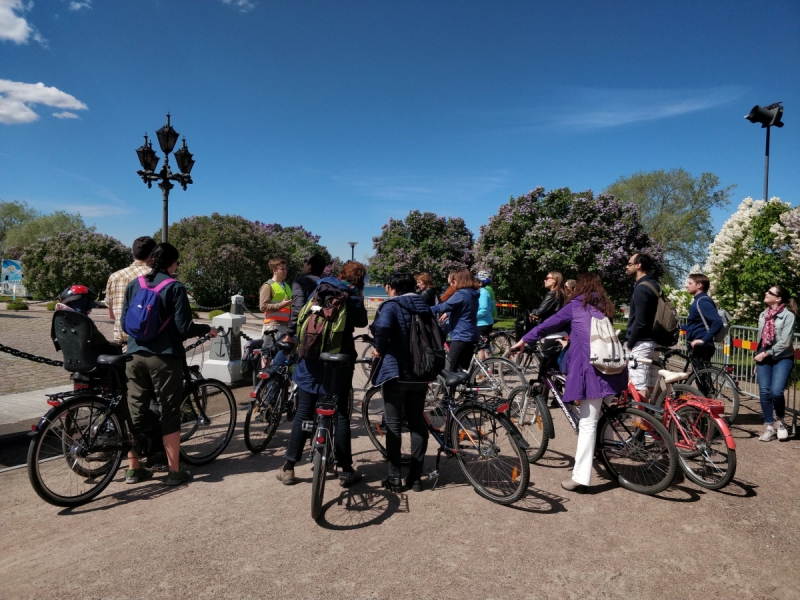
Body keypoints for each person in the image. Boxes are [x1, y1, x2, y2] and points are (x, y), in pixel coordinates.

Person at [510, 273, 628, 492]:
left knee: (588, 423)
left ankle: (580, 477)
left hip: (592, 370)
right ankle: (605, 450)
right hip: (613, 368)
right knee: (600, 415)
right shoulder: (603, 307)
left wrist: (524, 340)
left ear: (579, 288)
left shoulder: (575, 306)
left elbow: (548, 324)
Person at [121, 243, 217, 486]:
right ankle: (174, 471)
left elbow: (124, 323)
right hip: (164, 358)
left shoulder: (134, 284)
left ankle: (134, 468)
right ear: (173, 263)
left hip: (133, 355)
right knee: (169, 410)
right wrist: (207, 328)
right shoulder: (175, 287)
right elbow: (184, 328)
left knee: (135, 410)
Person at [276, 261, 368, 487]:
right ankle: (346, 470)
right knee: (341, 415)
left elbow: (302, 316)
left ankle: (289, 467)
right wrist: (357, 296)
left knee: (304, 412)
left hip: (310, 359)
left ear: (340, 273)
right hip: (339, 362)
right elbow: (362, 321)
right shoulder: (352, 295)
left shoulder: (321, 288)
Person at [370, 272, 433, 492]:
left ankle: (394, 477)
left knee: (394, 424)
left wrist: (378, 347)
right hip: (421, 372)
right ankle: (415, 478)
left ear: (392, 288)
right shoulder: (423, 305)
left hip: (395, 372)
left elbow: (382, 327)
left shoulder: (391, 306)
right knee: (417, 422)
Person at [755, 285, 797, 442]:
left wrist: (766, 353)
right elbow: (761, 339)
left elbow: (785, 342)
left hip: (782, 357)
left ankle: (780, 421)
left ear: (778, 298)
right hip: (764, 358)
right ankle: (769, 427)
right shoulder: (763, 314)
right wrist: (758, 357)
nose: (766, 293)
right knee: (764, 392)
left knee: (776, 392)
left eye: (770, 292)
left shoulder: (788, 316)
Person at [105, 236, 156, 344]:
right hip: (146, 342)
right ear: (152, 254)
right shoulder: (155, 276)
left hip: (121, 342)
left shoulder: (114, 277)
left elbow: (112, 315)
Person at [625, 252, 661, 399]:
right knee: (652, 384)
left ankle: (640, 414)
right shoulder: (654, 284)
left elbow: (640, 321)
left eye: (629, 264)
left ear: (638, 265)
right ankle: (663, 412)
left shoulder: (641, 288)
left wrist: (630, 343)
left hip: (641, 343)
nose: (626, 267)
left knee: (638, 385)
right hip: (654, 341)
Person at [430, 268, 480, 372]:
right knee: (462, 369)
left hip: (461, 335)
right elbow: (464, 308)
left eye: (455, 280)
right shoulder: (472, 293)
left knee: (449, 370)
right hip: (472, 334)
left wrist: (426, 310)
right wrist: (449, 313)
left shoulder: (461, 294)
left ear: (460, 280)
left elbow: (444, 306)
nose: (453, 282)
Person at [51, 285, 120, 356]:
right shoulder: (84, 323)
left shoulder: (60, 320)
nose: (90, 310)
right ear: (82, 305)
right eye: (89, 307)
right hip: (94, 359)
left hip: (72, 359)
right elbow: (102, 342)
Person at [284, 253, 326, 342]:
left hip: (307, 331)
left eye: (305, 264)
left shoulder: (300, 282)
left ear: (309, 267)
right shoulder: (326, 284)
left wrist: (289, 334)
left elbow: (298, 308)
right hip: (324, 330)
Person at [684, 273, 723, 363]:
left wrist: (703, 340)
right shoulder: (698, 300)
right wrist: (679, 327)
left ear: (699, 285)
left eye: (690, 283)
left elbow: (717, 321)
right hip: (697, 345)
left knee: (701, 371)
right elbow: (696, 325)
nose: (687, 286)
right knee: (699, 371)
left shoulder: (702, 301)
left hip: (701, 347)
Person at [516, 272, 565, 341]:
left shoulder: (553, 294)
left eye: (547, 278)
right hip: (557, 325)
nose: (545, 280)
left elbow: (540, 311)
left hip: (549, 326)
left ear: (555, 280)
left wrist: (533, 312)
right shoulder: (561, 293)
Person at [259, 257, 292, 344]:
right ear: (274, 270)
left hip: (286, 326)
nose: (285, 271)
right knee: (268, 351)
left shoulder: (287, 286)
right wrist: (282, 304)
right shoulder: (267, 286)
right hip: (273, 327)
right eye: (282, 269)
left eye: (286, 269)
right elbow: (263, 307)